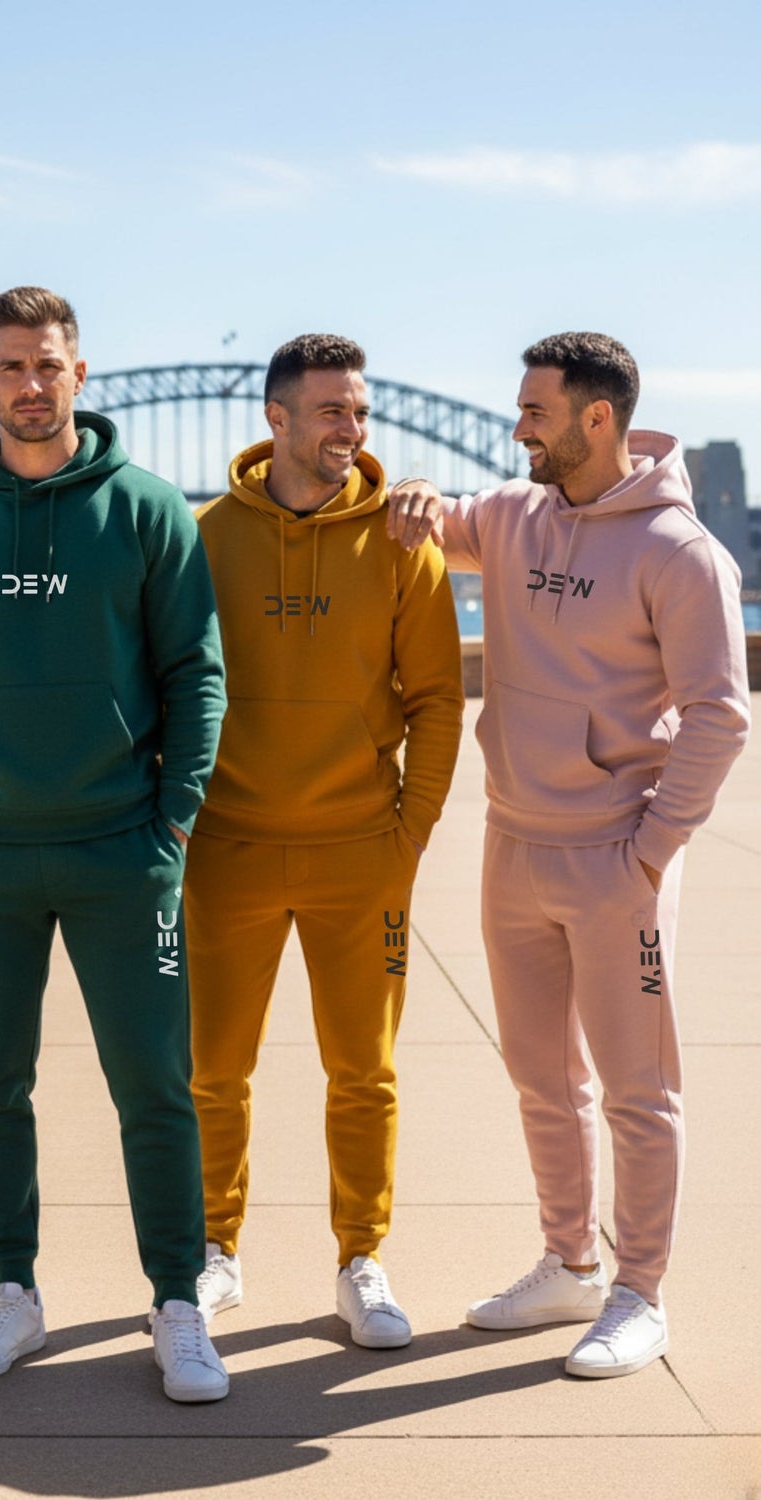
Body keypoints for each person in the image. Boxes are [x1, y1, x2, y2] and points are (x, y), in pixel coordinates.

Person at [0, 287, 230, 1403]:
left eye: (51, 365)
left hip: (124, 850)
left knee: (156, 1087)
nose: (34, 384)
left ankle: (177, 1300)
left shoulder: (149, 511)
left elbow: (195, 674)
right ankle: (13, 1292)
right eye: (13, 366)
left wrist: (173, 815)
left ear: (84, 375)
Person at [388, 332, 749, 1377]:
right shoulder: (511, 515)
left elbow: (720, 717)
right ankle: (567, 1262)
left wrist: (649, 852)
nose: (517, 429)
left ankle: (641, 1291)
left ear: (599, 420)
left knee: (639, 1088)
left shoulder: (681, 553)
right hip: (514, 844)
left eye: (535, 413)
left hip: (615, 863)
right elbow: (426, 525)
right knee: (542, 1077)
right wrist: (412, 486)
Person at [183, 335, 463, 1349]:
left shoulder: (403, 542)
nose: (351, 430)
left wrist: (410, 834)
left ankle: (361, 1259)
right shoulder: (207, 536)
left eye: (361, 413)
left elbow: (437, 699)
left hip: (361, 853)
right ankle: (213, 1252)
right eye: (332, 412)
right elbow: (165, 682)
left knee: (365, 1073)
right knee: (213, 1072)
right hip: (228, 849)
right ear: (278, 421)